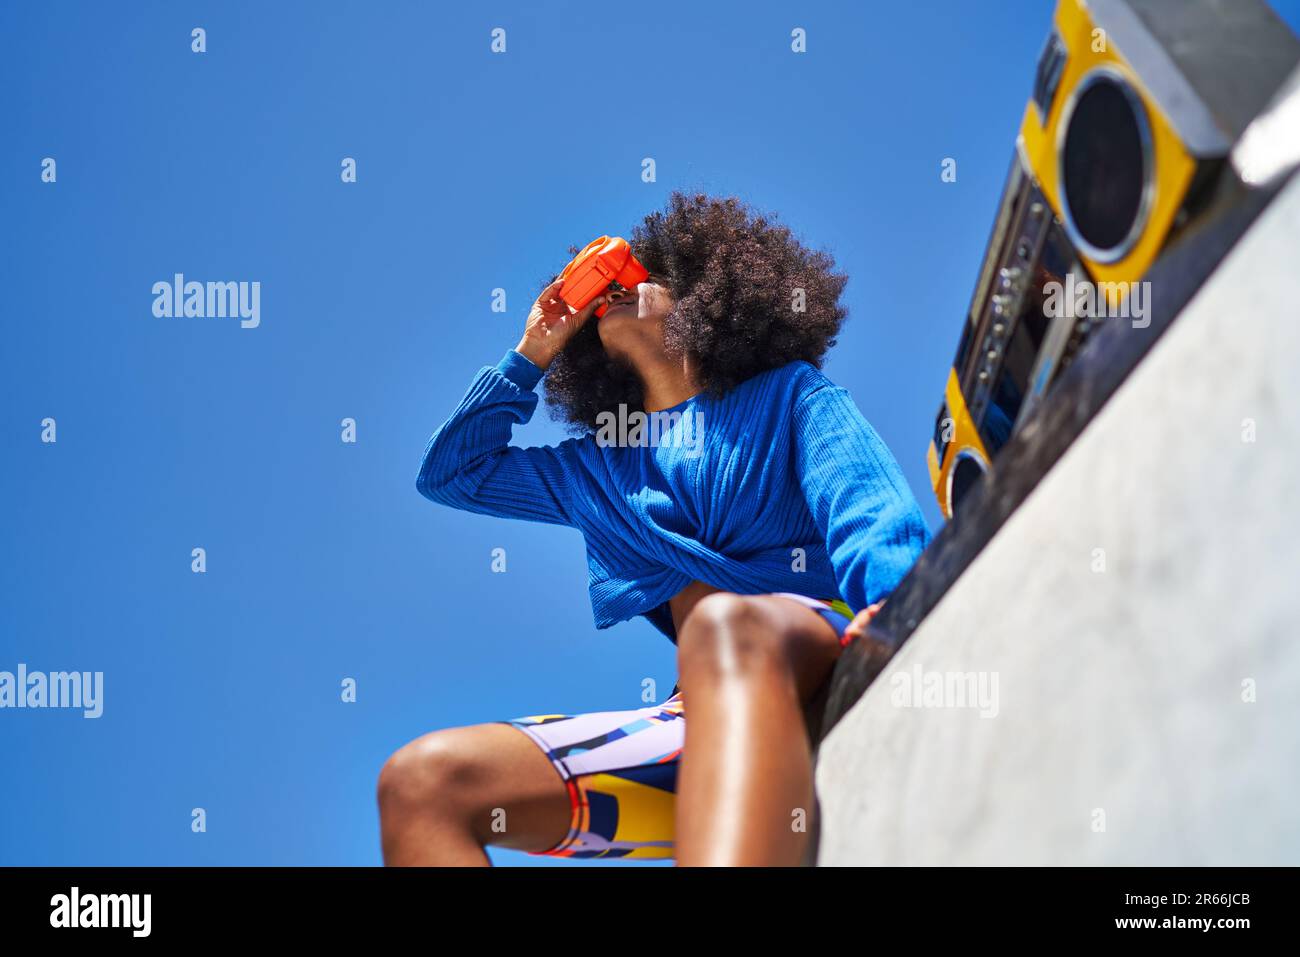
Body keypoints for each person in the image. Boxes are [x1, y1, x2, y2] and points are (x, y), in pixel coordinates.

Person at [378, 191, 932, 865]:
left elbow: (867, 508)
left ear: (705, 298)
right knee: (421, 782)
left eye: (647, 275)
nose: (614, 289)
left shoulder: (789, 393)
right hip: (691, 726)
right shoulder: (597, 468)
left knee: (722, 624)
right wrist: (533, 349)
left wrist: (909, 616)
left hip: (813, 662)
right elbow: (453, 473)